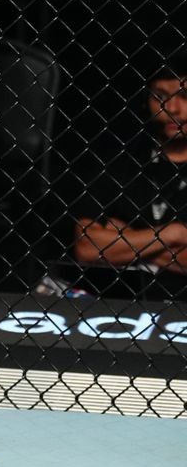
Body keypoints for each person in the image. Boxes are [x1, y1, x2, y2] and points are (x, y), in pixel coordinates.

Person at [69, 53, 187, 300]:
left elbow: (104, 246)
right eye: (161, 97)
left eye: (185, 96)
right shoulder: (121, 159)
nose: (172, 108)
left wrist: (127, 236)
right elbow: (87, 247)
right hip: (116, 302)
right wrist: (173, 234)